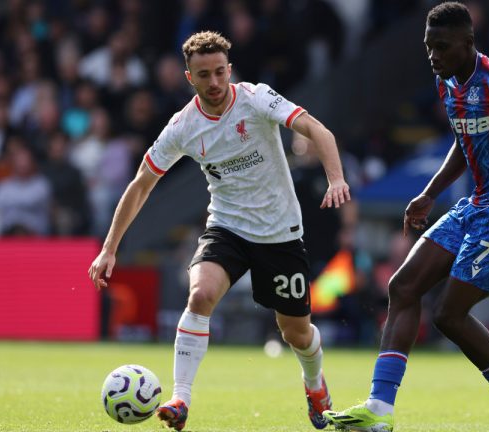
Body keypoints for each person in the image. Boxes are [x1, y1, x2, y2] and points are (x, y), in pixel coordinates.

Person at [324, 3, 489, 432]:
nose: (433, 55)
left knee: (448, 315)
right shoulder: (447, 82)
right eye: (428, 47)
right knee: (403, 286)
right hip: (478, 206)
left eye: (441, 47)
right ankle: (380, 409)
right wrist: (429, 193)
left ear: (468, 42)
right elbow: (465, 141)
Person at [87, 31, 350, 431]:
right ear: (189, 77)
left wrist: (335, 179)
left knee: (295, 333)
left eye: (220, 72)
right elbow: (141, 183)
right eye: (204, 74)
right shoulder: (182, 127)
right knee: (201, 293)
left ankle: (315, 386)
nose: (214, 82)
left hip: (279, 232)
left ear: (231, 70)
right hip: (226, 227)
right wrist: (109, 248)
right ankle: (180, 398)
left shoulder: (257, 98)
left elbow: (317, 130)